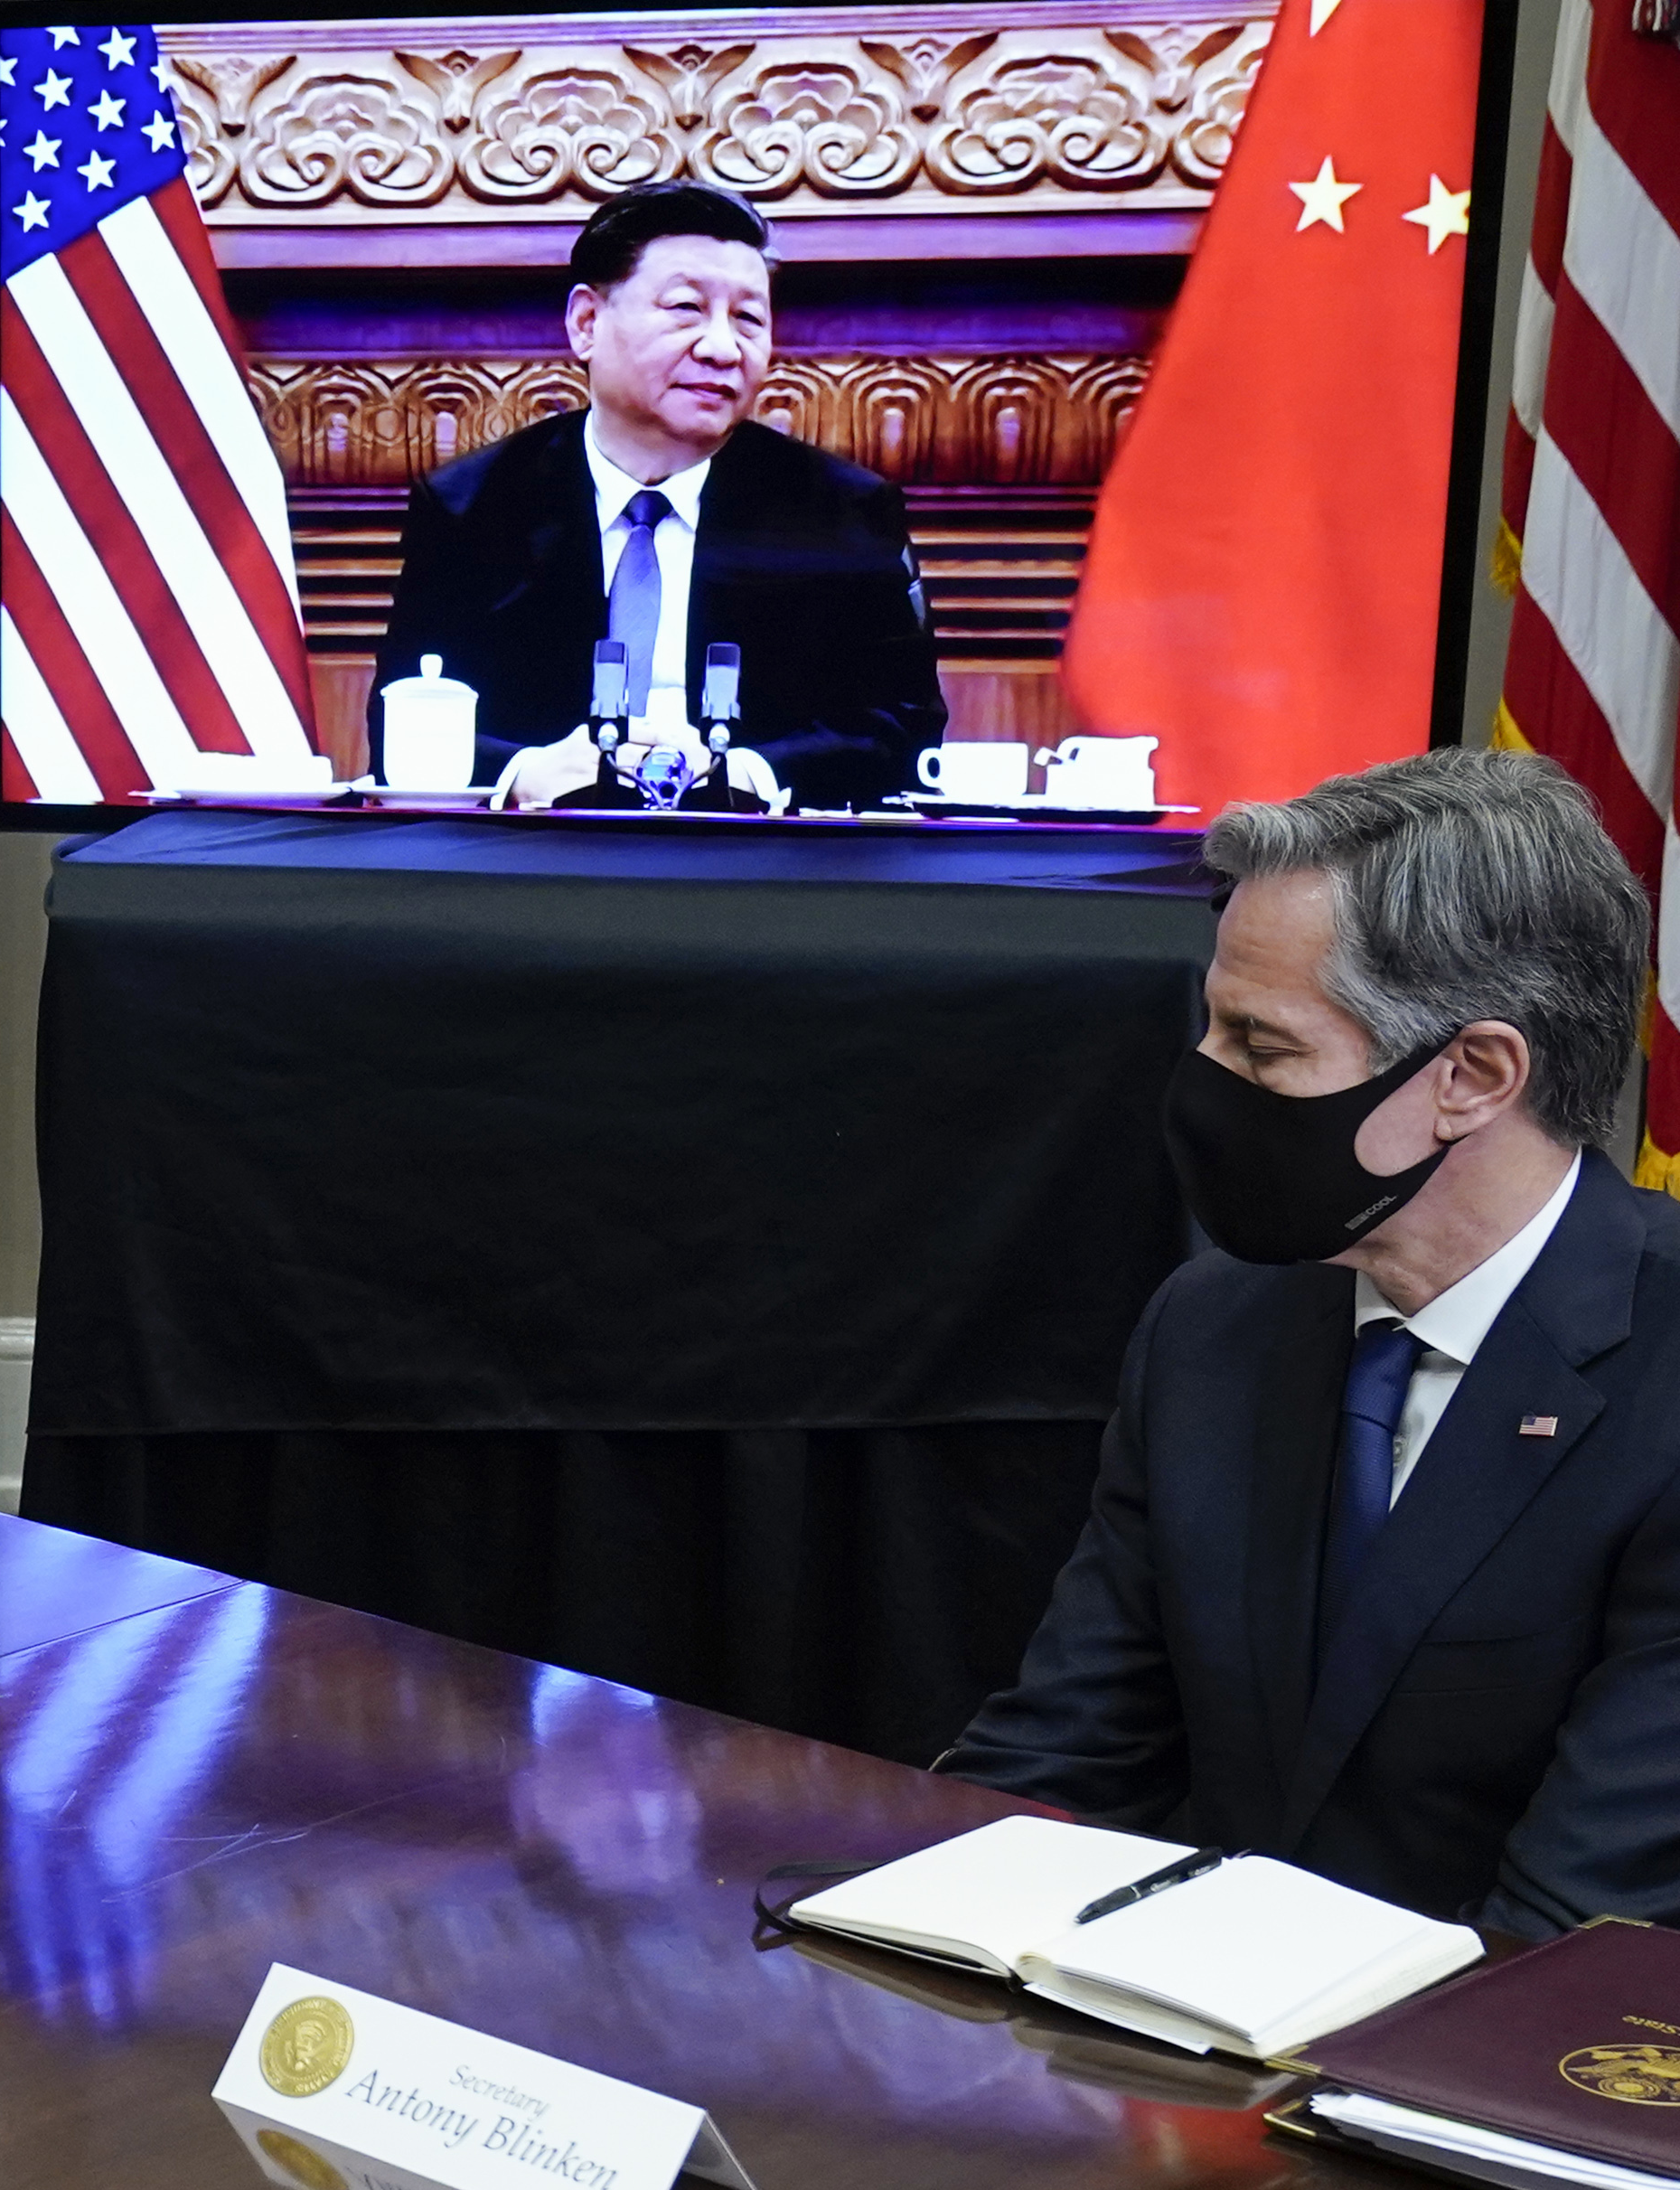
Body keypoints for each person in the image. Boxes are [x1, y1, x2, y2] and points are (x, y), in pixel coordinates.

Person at [941, 748, 1680, 1932]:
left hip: (1484, 2077)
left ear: (1472, 1075)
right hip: (1176, 2046)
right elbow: (1064, 1758)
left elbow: (1572, 1920)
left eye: (1261, 1046)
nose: (1202, 1080)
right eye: (1211, 1029)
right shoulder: (1214, 1323)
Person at [369, 179, 947, 811]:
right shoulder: (472, 507)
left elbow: (905, 725)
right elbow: (402, 718)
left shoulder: (843, 513)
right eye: (685, 310)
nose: (724, 348)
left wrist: (751, 774)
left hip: (763, 875)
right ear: (587, 323)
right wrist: (524, 772)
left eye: (750, 319)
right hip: (531, 869)